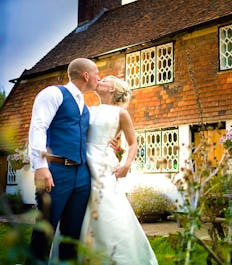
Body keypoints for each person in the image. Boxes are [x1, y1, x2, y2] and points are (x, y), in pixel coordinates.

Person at [27, 58, 100, 264]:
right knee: (45, 230)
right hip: (56, 171)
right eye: (96, 73)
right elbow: (38, 127)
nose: (98, 77)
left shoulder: (85, 107)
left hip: (82, 175)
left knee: (72, 234)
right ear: (85, 75)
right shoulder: (54, 93)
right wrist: (40, 166)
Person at [80, 75, 158, 265]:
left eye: (105, 80)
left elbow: (133, 143)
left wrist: (126, 165)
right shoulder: (87, 110)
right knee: (81, 210)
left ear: (113, 89)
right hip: (82, 162)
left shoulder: (120, 113)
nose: (100, 80)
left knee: (108, 209)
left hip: (104, 166)